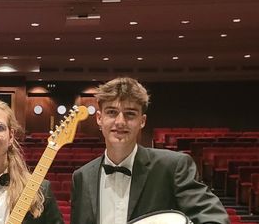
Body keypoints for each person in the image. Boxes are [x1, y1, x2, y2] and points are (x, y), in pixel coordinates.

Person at [69, 77, 228, 224]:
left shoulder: (173, 167)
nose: (120, 122)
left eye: (130, 114)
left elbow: (215, 219)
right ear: (99, 118)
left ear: (142, 121)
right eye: (111, 112)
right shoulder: (82, 177)